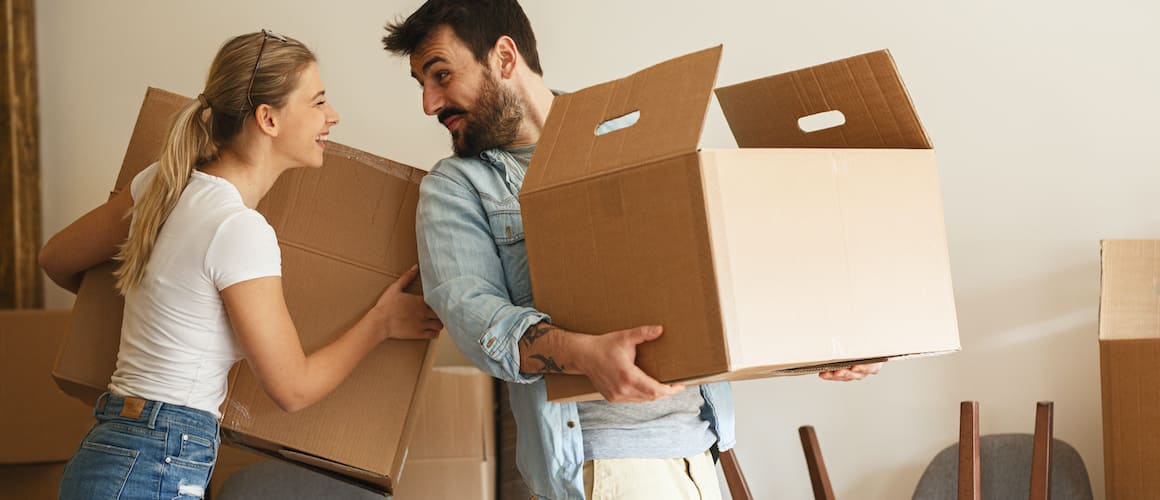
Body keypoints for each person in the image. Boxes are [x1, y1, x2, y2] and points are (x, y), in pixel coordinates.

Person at [383, 2, 881, 498]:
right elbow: (477, 322)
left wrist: (822, 342)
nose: (429, 103)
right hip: (605, 466)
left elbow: (711, 270)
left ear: (505, 57)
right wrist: (582, 354)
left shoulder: (625, 132)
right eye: (422, 84)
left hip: (705, 453)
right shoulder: (457, 187)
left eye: (441, 75)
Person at [40, 30, 442, 500]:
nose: (332, 117)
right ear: (268, 118)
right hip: (155, 462)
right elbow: (291, 389)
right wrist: (381, 324)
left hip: (111, 448)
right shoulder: (239, 230)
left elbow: (56, 259)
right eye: (317, 102)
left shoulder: (160, 186)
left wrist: (162, 305)